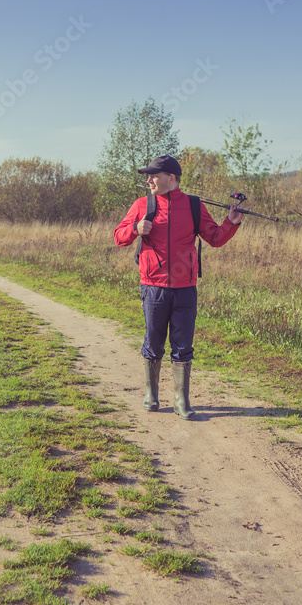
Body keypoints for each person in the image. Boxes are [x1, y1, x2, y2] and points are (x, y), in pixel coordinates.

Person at [113, 155, 243, 419]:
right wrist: (137, 229)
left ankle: (181, 401)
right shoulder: (142, 205)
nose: (149, 180)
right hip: (153, 287)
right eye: (148, 176)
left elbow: (215, 238)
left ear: (171, 178)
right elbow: (119, 237)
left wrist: (232, 222)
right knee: (153, 342)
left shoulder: (193, 206)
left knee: (183, 345)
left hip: (186, 288)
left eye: (154, 176)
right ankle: (151, 395)